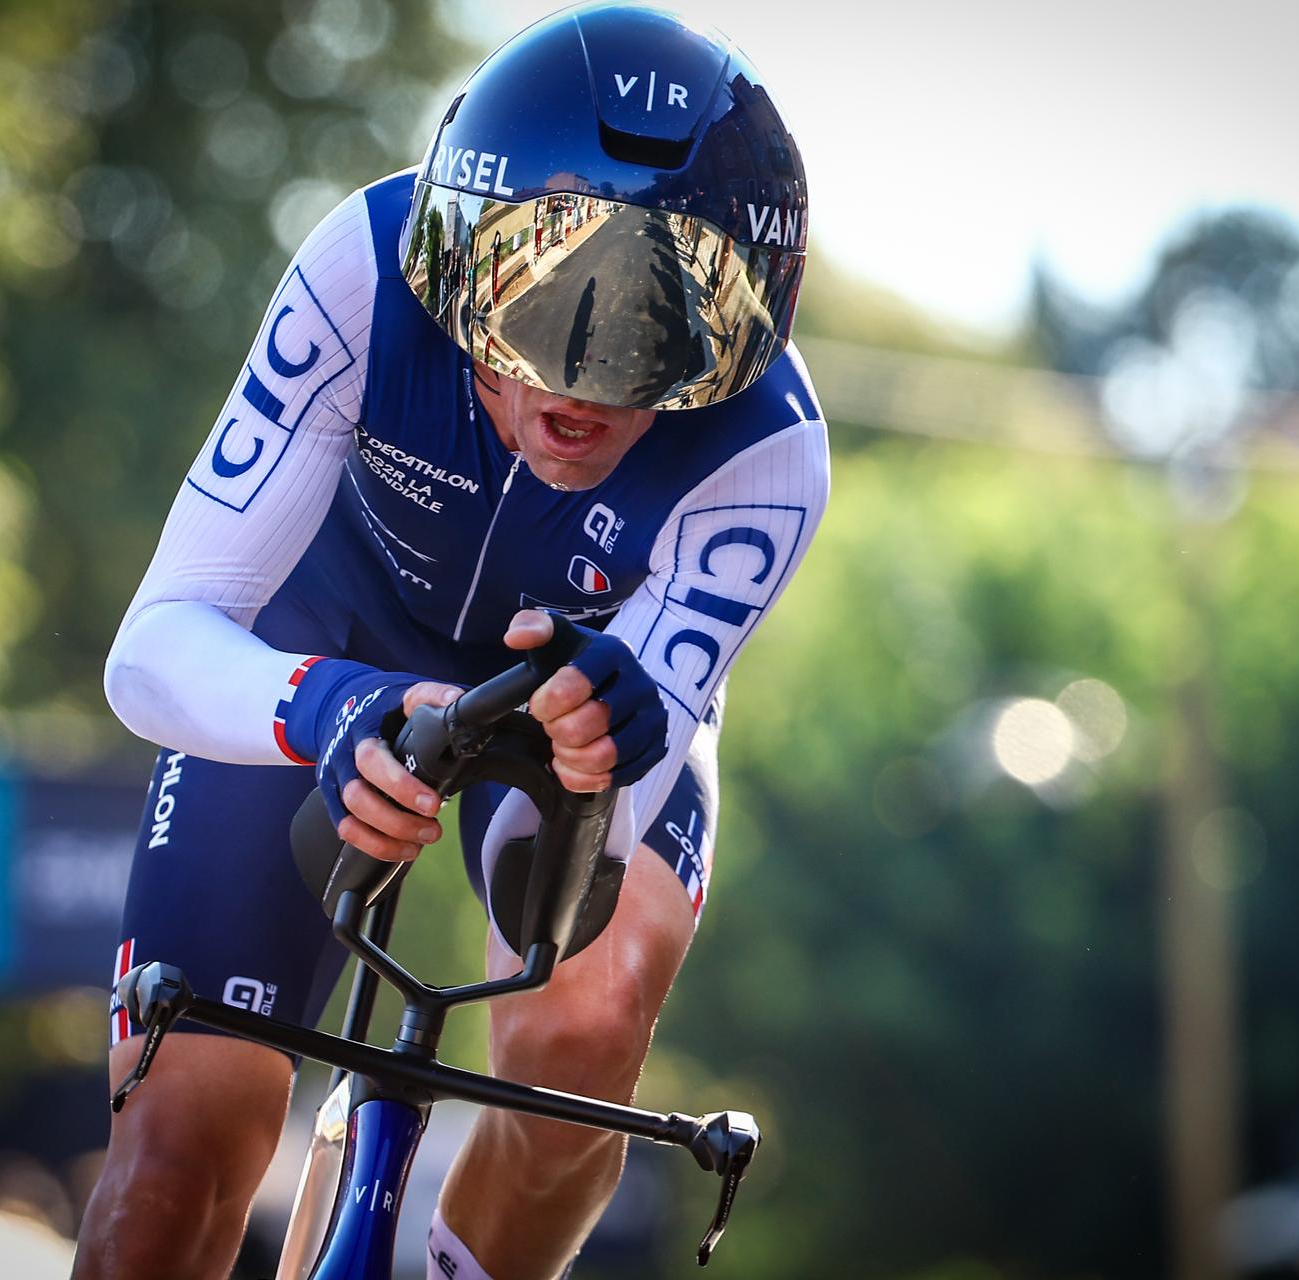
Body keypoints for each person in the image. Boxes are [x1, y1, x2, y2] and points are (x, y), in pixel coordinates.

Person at [72, 5, 825, 1279]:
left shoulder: (770, 453)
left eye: (644, 331)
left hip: (567, 695)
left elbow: (572, 859)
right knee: (174, 1160)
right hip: (324, 637)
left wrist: (602, 742)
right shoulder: (362, 267)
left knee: (579, 1027)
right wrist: (323, 708)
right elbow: (153, 650)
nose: (573, 388)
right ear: (452, 261)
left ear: (728, 336)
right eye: (530, 308)